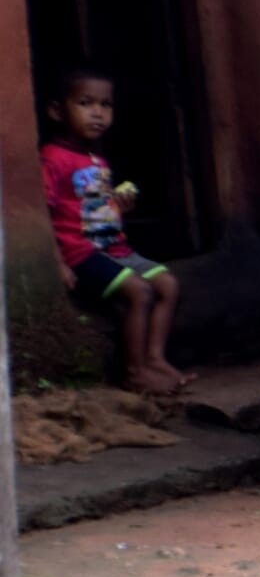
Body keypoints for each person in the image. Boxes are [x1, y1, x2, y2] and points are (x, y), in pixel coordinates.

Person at [39, 66, 189, 395]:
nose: (97, 113)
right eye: (85, 103)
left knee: (167, 284)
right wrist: (58, 263)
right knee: (140, 292)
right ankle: (134, 372)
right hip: (81, 253)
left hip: (115, 249)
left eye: (105, 105)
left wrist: (119, 206)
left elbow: (91, 208)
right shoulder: (53, 158)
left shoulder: (96, 158)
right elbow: (45, 213)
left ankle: (154, 358)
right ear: (56, 110)